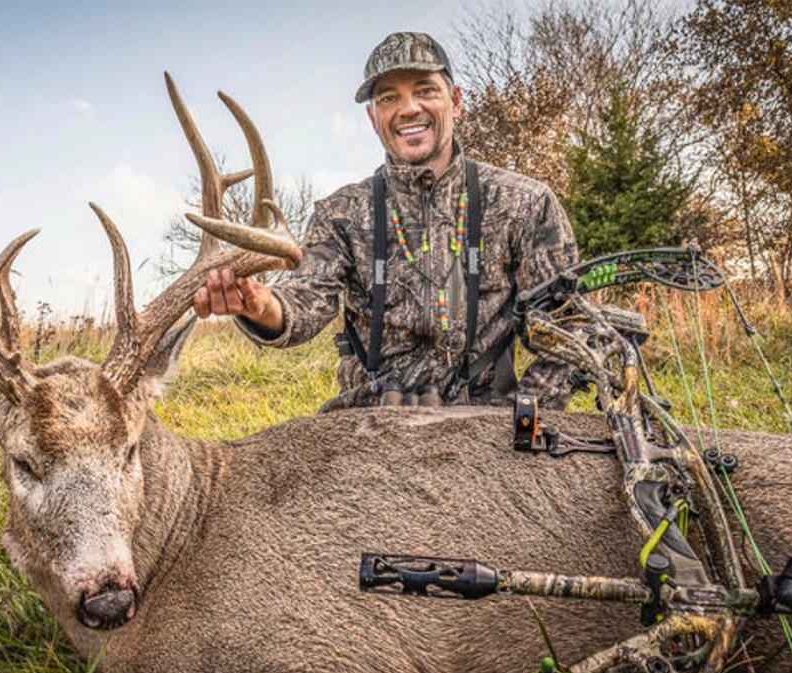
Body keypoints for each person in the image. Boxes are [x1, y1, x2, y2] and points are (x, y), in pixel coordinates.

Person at [193, 31, 579, 410]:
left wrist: (522, 417)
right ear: (373, 117)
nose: (408, 108)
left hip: (484, 427)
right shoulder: (340, 214)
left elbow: (570, 331)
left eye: (425, 90)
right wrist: (260, 305)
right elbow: (305, 301)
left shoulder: (523, 203)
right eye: (389, 97)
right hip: (369, 427)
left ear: (456, 101)